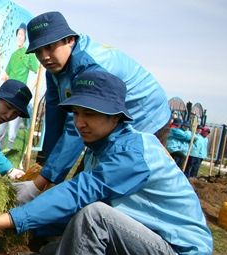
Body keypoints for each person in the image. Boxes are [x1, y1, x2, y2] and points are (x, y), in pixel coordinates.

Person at [0, 71, 212, 255]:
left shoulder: (131, 153)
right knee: (56, 254)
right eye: (76, 113)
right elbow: (72, 205)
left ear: (116, 116)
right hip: (151, 248)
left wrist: (0, 220)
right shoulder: (102, 148)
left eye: (91, 114)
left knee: (95, 216)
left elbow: (78, 195)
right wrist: (21, 220)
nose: (80, 122)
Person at [19, 11, 171, 201]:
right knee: (86, 178)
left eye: (49, 47)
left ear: (70, 40)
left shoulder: (89, 68)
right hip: (108, 117)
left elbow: (76, 127)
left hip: (146, 114)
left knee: (112, 182)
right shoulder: (55, 70)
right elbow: (55, 113)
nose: (45, 57)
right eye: (38, 51)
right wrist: (44, 165)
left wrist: (40, 183)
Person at [0, 23, 39, 153]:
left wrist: (30, 87)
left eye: (22, 34)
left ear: (25, 37)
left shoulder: (29, 54)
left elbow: (39, 70)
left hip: (19, 95)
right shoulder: (14, 54)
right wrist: (0, 79)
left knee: (13, 125)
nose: (20, 37)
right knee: (1, 122)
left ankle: (10, 150)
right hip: (8, 94)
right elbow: (6, 74)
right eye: (18, 34)